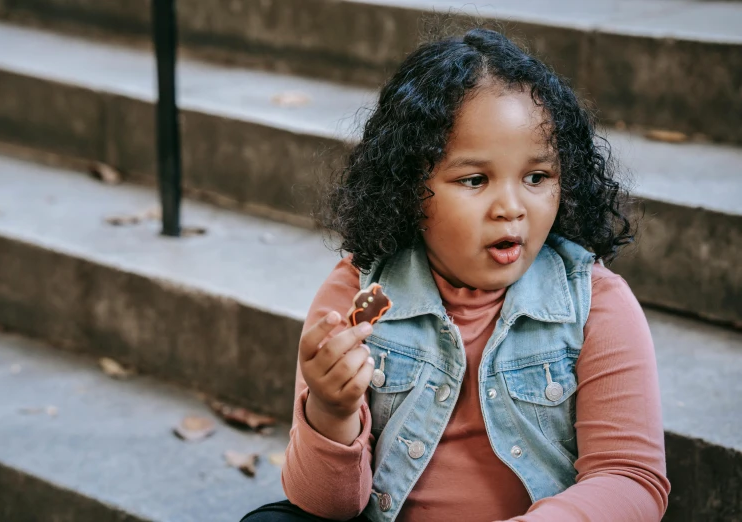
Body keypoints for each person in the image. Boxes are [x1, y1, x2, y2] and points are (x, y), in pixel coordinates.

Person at [243, 28, 670, 522]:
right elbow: (326, 506)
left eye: (537, 177)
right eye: (474, 180)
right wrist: (330, 412)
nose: (511, 208)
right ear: (408, 189)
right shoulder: (357, 295)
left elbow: (630, 479)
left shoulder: (596, 303)